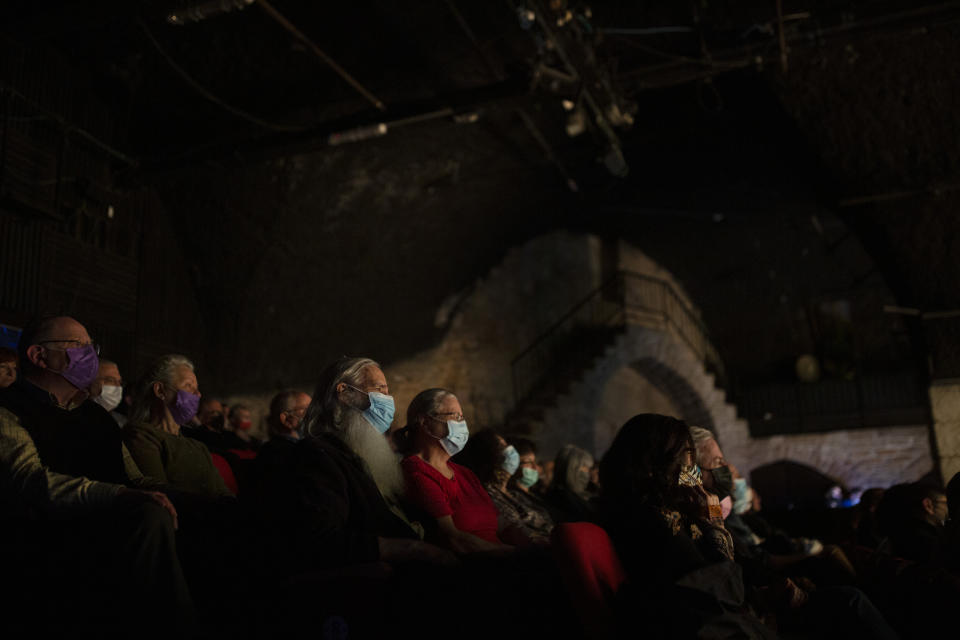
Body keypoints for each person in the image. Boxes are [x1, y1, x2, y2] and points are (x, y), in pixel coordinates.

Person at [0, 316, 192, 632]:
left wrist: (194, 500)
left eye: (93, 346)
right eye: (80, 346)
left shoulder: (97, 417)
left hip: (115, 516)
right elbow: (32, 481)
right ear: (38, 356)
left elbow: (135, 479)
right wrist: (119, 495)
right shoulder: (9, 410)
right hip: (53, 534)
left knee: (199, 512)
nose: (92, 355)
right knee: (151, 515)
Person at [247, 356, 453, 575]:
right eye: (379, 390)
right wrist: (412, 549)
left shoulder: (364, 453)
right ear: (344, 393)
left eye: (387, 391)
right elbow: (321, 539)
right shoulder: (318, 455)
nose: (388, 399)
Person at [396, 388, 511, 553]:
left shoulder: (465, 473)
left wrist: (532, 542)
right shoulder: (416, 471)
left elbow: (502, 524)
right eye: (455, 417)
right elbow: (453, 539)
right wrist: (516, 553)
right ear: (425, 423)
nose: (462, 424)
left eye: (462, 417)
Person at [123, 354, 233, 499]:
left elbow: (223, 494)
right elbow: (160, 495)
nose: (198, 394)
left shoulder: (197, 446)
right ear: (160, 391)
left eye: (197, 388)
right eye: (188, 385)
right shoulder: (141, 436)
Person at [457, 429, 552, 546]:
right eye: (503, 446)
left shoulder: (515, 494)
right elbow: (519, 533)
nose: (511, 450)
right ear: (490, 457)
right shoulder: (487, 497)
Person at [546, 443, 598, 522]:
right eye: (586, 468)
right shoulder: (564, 499)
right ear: (573, 470)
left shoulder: (582, 496)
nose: (588, 473)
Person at [90, 358, 126, 426]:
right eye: (110, 380)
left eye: (120, 382)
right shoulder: (74, 419)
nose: (118, 386)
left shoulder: (122, 423)